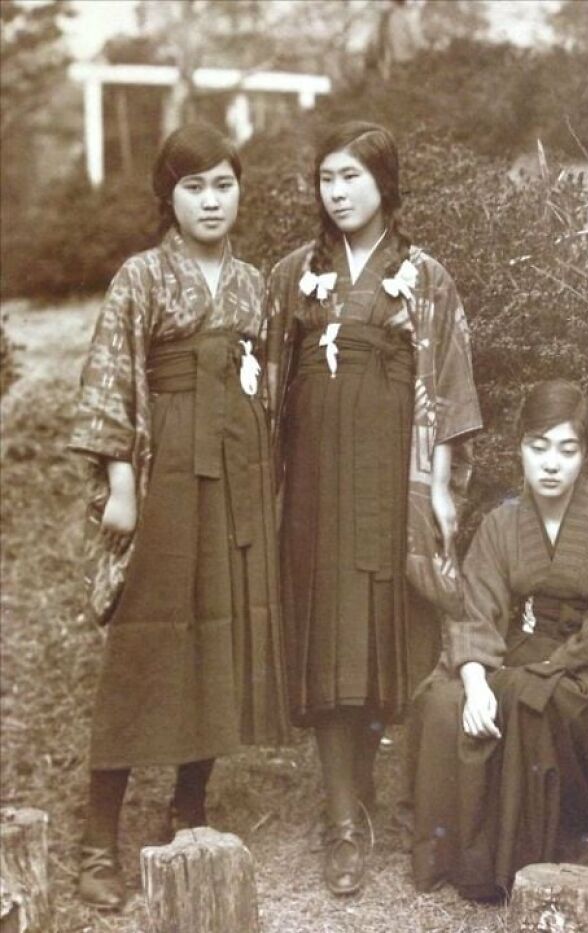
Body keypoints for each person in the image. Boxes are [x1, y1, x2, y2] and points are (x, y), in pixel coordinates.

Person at [69, 123, 289, 910]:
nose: (209, 201)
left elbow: (265, 390)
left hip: (232, 481)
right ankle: (98, 837)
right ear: (168, 196)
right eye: (193, 187)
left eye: (223, 185)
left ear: (240, 192)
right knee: (143, 649)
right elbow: (112, 376)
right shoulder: (141, 276)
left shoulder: (253, 283)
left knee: (218, 640)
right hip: (162, 477)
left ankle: (188, 809)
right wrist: (122, 483)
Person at [265, 121, 482, 895]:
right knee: (330, 635)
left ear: (385, 183)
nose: (338, 190)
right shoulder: (294, 274)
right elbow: (264, 389)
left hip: (395, 477)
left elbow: (450, 386)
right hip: (318, 482)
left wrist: (443, 487)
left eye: (352, 175)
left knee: (388, 631)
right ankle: (340, 819)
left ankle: (369, 794)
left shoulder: (424, 277)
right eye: (326, 176)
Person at [409, 379, 588, 898]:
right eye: (537, 447)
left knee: (528, 700)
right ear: (520, 446)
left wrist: (524, 680)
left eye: (567, 450)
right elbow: (476, 609)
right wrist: (475, 679)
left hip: (587, 674)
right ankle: (457, 856)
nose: (550, 464)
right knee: (441, 699)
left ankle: (511, 860)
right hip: (519, 648)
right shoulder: (501, 525)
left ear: (584, 455)